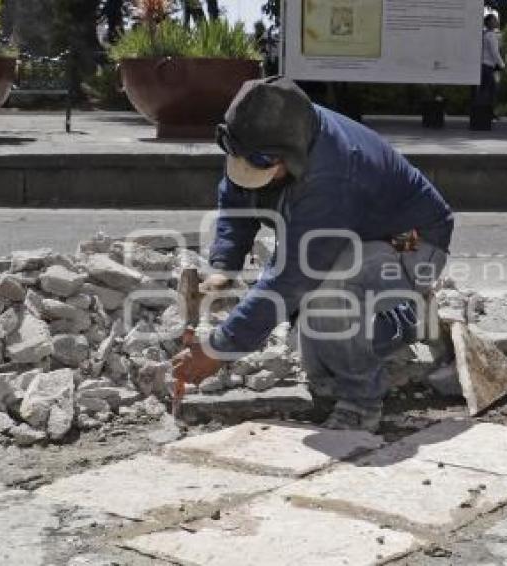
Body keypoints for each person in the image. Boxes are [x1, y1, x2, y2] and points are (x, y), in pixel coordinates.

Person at [171, 77, 454, 432]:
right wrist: (223, 269)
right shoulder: (261, 132)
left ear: (290, 154)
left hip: (412, 241)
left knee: (325, 300)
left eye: (262, 168)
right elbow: (237, 199)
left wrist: (218, 349)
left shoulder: (331, 174)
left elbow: (292, 277)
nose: (246, 171)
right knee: (313, 340)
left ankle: (361, 402)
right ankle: (388, 334)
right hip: (355, 235)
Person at [472, 13, 504, 130]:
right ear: (490, 22)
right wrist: (502, 65)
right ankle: (484, 115)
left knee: (487, 91)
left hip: (485, 66)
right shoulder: (491, 36)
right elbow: (495, 53)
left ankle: (487, 114)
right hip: (487, 67)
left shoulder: (486, 34)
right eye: (494, 20)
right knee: (488, 91)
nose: (496, 21)